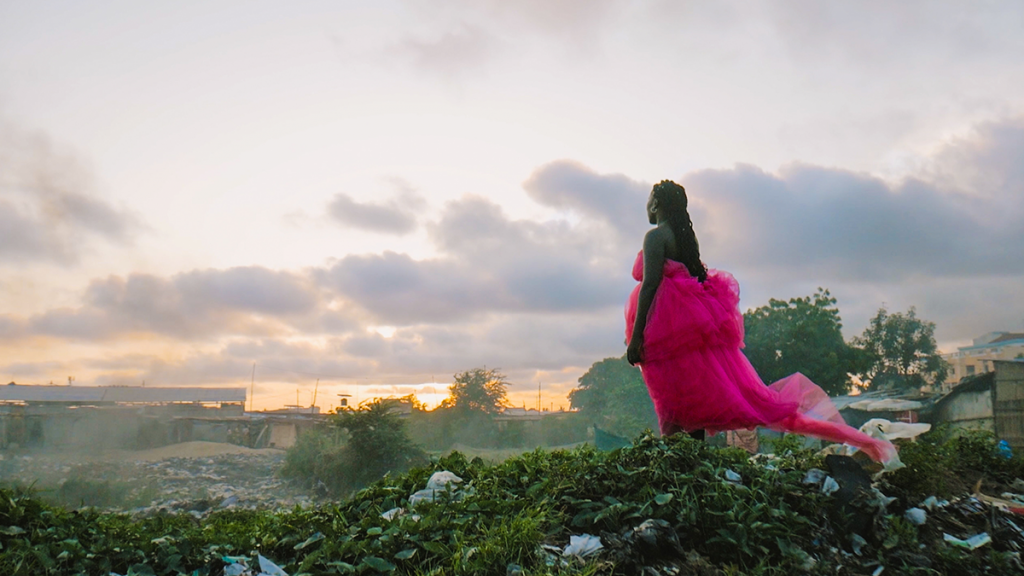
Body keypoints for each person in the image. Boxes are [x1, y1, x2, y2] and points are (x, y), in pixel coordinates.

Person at [625, 180, 898, 465]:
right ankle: (692, 467)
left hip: (666, 330)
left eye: (648, 199)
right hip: (685, 328)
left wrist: (637, 338)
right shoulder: (684, 239)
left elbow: (651, 285)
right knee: (690, 405)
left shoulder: (655, 237)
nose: (646, 206)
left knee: (671, 401)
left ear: (656, 203)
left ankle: (675, 469)